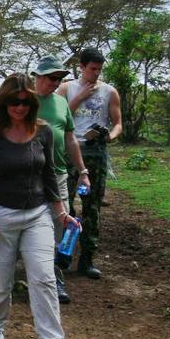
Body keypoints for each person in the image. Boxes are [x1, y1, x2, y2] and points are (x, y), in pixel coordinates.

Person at [0, 73, 76, 339]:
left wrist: (61, 212)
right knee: (0, 277)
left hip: (37, 214)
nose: (19, 108)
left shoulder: (43, 132)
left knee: (44, 277)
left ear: (32, 102)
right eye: (12, 102)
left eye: (24, 102)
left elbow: (50, 175)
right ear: (4, 103)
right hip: (1, 213)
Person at [58, 47, 123, 279]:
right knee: (65, 206)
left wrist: (109, 136)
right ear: (82, 67)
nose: (96, 73)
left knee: (92, 207)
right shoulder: (66, 88)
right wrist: (80, 97)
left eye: (99, 69)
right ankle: (63, 254)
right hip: (69, 150)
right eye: (92, 69)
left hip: (96, 152)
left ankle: (87, 259)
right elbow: (59, 117)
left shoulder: (110, 92)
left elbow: (118, 123)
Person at [31, 55, 91, 304]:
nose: (55, 83)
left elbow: (70, 139)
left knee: (59, 226)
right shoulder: (23, 102)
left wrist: (83, 171)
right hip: (29, 175)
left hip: (57, 174)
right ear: (37, 77)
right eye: (51, 78)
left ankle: (55, 279)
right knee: (23, 225)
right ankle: (15, 278)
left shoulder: (61, 103)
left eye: (59, 79)